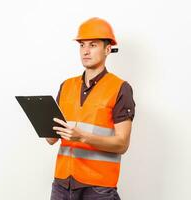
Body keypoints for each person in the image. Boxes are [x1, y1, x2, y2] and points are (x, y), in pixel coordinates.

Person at [46, 17, 135, 200]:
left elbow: (122, 144)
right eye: (82, 45)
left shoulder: (119, 88)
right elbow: (51, 139)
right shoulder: (67, 86)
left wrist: (83, 137)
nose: (85, 51)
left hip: (98, 189)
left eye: (93, 45)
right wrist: (42, 123)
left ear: (108, 49)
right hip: (62, 184)